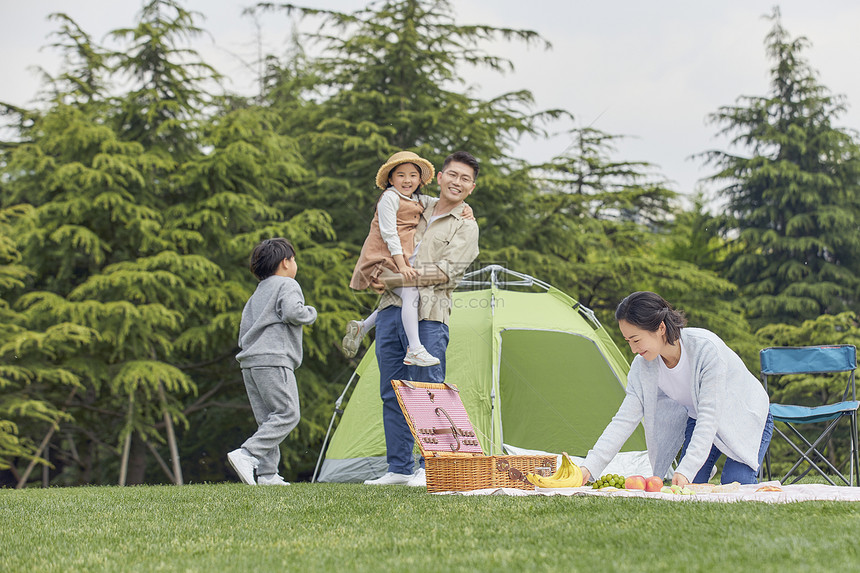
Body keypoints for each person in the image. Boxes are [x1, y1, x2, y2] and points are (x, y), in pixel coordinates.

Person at [364, 150, 481, 486]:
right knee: (392, 391)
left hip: (429, 314)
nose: (457, 183)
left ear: (471, 188)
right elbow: (388, 217)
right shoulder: (417, 204)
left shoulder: (466, 226)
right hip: (391, 310)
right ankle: (399, 470)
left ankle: (434, 469)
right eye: (453, 175)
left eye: (465, 179)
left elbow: (446, 273)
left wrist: (391, 278)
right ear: (440, 177)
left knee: (428, 389)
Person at [580, 291, 774, 486]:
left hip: (743, 416)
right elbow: (624, 420)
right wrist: (589, 467)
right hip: (699, 418)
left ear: (660, 327)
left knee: (736, 484)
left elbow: (710, 416)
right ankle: (701, 466)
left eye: (636, 340)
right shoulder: (643, 367)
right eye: (628, 341)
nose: (633, 349)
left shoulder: (706, 350)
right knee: (690, 484)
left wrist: (687, 470)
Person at [227, 238, 317, 486]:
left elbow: (245, 328)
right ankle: (247, 454)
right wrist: (310, 312)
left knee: (268, 419)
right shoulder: (288, 284)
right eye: (294, 259)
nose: (295, 263)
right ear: (285, 262)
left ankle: (267, 474)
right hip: (274, 358)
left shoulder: (259, 291)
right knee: (288, 413)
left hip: (251, 361)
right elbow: (292, 312)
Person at [344, 151, 442, 367]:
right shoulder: (389, 198)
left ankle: (364, 326)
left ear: (420, 179)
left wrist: (463, 209)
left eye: (413, 175)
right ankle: (415, 348)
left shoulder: (418, 199)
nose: (407, 180)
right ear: (390, 179)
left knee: (397, 297)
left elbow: (441, 203)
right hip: (380, 259)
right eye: (400, 175)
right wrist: (402, 266)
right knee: (410, 291)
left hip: (396, 259)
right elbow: (389, 234)